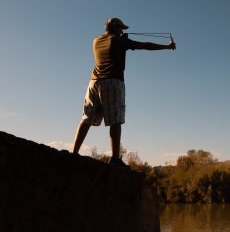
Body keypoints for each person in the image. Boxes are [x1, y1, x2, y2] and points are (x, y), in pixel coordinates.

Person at [72, 17, 175, 167]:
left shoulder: (95, 40)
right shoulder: (119, 41)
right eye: (121, 28)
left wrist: (123, 41)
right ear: (114, 27)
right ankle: (115, 159)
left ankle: (73, 153)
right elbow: (145, 45)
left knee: (86, 118)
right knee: (116, 119)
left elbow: (111, 46)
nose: (123, 31)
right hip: (113, 82)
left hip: (93, 82)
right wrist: (166, 47)